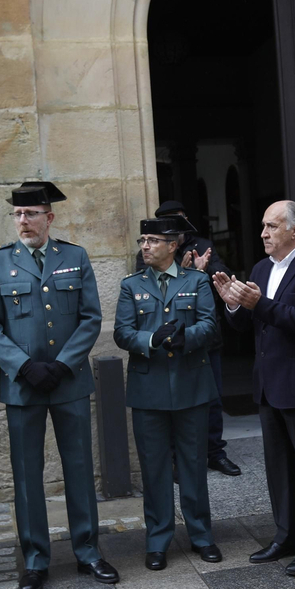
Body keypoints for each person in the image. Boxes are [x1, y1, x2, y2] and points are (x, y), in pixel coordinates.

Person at [0, 181, 119, 589]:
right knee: (27, 476)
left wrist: (62, 364)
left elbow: (90, 318)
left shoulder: (73, 256)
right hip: (23, 388)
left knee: (79, 470)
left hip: (68, 382)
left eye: (32, 214)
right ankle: (36, 560)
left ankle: (88, 551)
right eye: (18, 215)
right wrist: (23, 367)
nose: (24, 221)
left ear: (49, 217)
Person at [213, 201, 295, 576]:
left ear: (294, 230)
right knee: (278, 467)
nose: (264, 234)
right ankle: (286, 536)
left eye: (271, 227)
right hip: (268, 384)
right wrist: (233, 306)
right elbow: (246, 327)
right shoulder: (261, 268)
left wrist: (260, 304)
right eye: (264, 227)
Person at [114, 217, 222, 569]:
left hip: (191, 386)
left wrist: (184, 338)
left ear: (174, 245)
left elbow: (209, 324)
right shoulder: (132, 286)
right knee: (155, 468)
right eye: (143, 239)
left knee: (193, 465)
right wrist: (151, 340)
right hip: (148, 390)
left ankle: (201, 536)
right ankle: (157, 540)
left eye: (153, 240)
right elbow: (122, 332)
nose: (145, 246)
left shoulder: (197, 281)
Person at [140, 201, 240, 477]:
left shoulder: (203, 244)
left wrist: (199, 271)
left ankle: (215, 453)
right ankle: (175, 457)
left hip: (205, 338)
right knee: (172, 400)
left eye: (180, 222)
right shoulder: (149, 251)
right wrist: (179, 271)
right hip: (169, 341)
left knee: (213, 399)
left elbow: (225, 278)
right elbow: (145, 287)